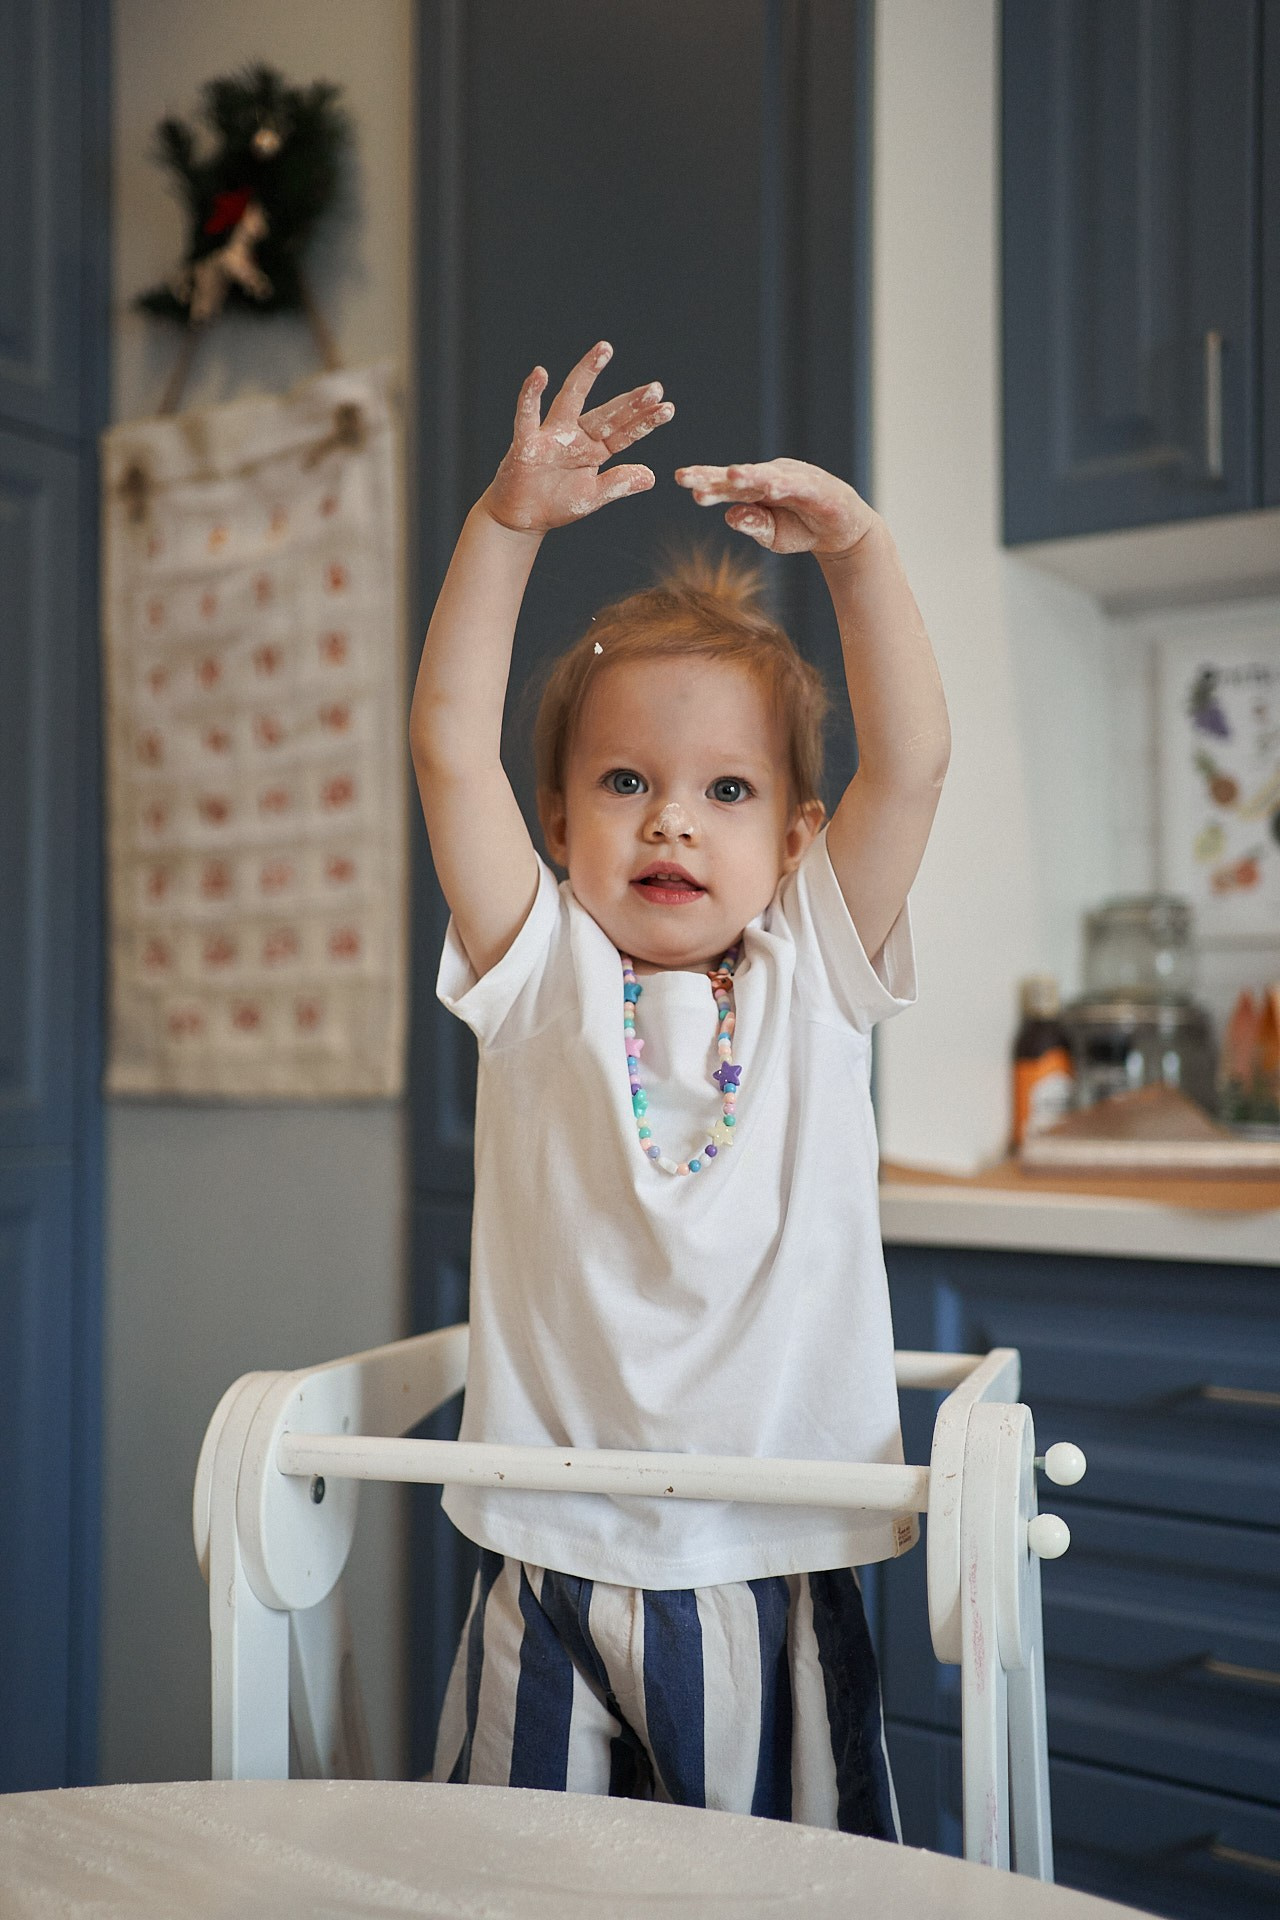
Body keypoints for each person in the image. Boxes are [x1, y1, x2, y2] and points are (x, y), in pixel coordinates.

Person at [410, 341, 949, 1833]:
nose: (671, 821)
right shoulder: (538, 977)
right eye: (626, 782)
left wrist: (859, 548)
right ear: (562, 821)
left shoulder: (817, 974)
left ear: (794, 839)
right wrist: (506, 526)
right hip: (549, 1548)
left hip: (767, 1559)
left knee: (774, 1887)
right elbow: (447, 745)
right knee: (513, 1880)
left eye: (726, 790)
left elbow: (913, 759)